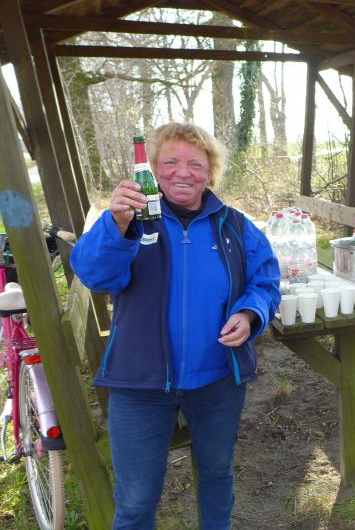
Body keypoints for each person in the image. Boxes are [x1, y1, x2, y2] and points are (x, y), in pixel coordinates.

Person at [71, 122, 281, 529]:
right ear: (152, 169)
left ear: (210, 173)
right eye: (170, 162)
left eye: (195, 164)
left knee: (217, 474)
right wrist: (116, 225)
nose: (182, 172)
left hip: (218, 380)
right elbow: (94, 273)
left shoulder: (236, 226)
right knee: (135, 501)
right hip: (140, 384)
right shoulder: (130, 220)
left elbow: (266, 282)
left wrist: (250, 313)